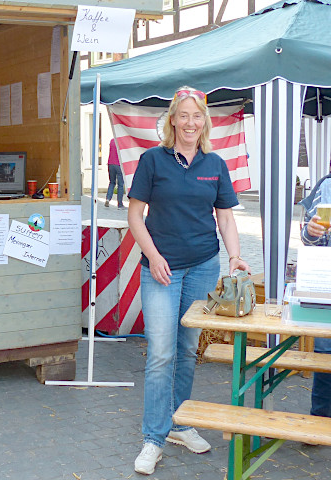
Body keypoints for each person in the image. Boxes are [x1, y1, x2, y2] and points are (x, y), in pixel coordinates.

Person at [127, 86, 250, 475]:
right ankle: (153, 437)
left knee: (186, 349)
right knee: (161, 352)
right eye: (183, 115)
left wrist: (234, 256)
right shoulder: (152, 160)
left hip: (202, 266)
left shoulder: (215, 163)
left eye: (197, 116)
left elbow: (225, 217)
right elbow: (135, 216)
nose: (190, 123)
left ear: (205, 122)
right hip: (161, 269)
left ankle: (178, 422)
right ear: (172, 120)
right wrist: (153, 255)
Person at [299, 173, 331, 418]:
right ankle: (320, 418)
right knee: (325, 354)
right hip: (326, 284)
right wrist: (310, 232)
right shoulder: (328, 186)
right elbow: (307, 239)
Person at [104, 137, 125, 209]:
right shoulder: (122, 141)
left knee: (112, 182)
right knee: (120, 185)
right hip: (119, 165)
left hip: (110, 164)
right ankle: (120, 204)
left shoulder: (112, 140)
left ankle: (107, 199)